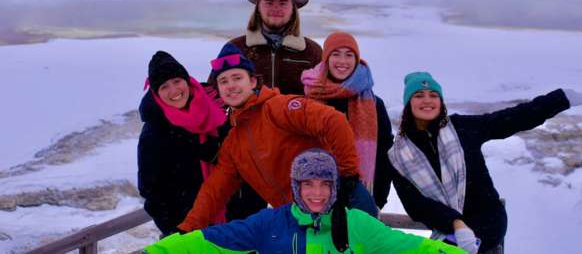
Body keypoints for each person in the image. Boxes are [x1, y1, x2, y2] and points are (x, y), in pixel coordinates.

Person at [177, 43, 378, 233]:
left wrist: (347, 177)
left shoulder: (279, 108)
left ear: (253, 81)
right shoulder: (233, 144)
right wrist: (188, 227)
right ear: (219, 91)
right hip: (303, 219)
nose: (231, 86)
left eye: (237, 78)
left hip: (344, 204)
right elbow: (214, 191)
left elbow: (335, 121)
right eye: (223, 81)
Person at [386, 72, 582, 254]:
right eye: (419, 95)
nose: (427, 100)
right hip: (447, 226)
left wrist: (558, 100)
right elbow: (416, 205)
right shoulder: (399, 156)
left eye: (433, 95)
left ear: (441, 101)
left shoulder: (462, 127)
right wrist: (456, 223)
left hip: (487, 219)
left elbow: (510, 119)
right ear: (408, 104)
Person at [142, 149, 468, 254]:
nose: (317, 193)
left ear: (335, 188)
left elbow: (412, 247)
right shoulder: (270, 223)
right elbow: (211, 240)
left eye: (325, 184)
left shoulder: (356, 223)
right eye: (308, 184)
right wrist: (157, 250)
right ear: (296, 187)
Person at [137, 51, 256, 236]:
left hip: (235, 218)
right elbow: (152, 189)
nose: (174, 90)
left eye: (177, 81)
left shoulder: (214, 106)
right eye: (164, 87)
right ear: (156, 93)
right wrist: (175, 231)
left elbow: (239, 154)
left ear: (187, 80)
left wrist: (218, 154)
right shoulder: (155, 131)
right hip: (188, 227)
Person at [301, 32, 394, 210]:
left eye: (349, 55)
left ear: (357, 60)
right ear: (326, 58)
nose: (342, 61)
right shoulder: (308, 100)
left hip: (360, 196)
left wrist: (378, 199)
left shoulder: (373, 104)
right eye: (336, 54)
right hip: (315, 196)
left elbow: (384, 152)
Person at [226, 0, 322, 95]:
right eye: (269, 3)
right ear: (259, 7)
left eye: (283, 3)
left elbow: (327, 96)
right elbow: (214, 95)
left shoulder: (313, 52)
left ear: (293, 8)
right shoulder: (235, 48)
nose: (276, 9)